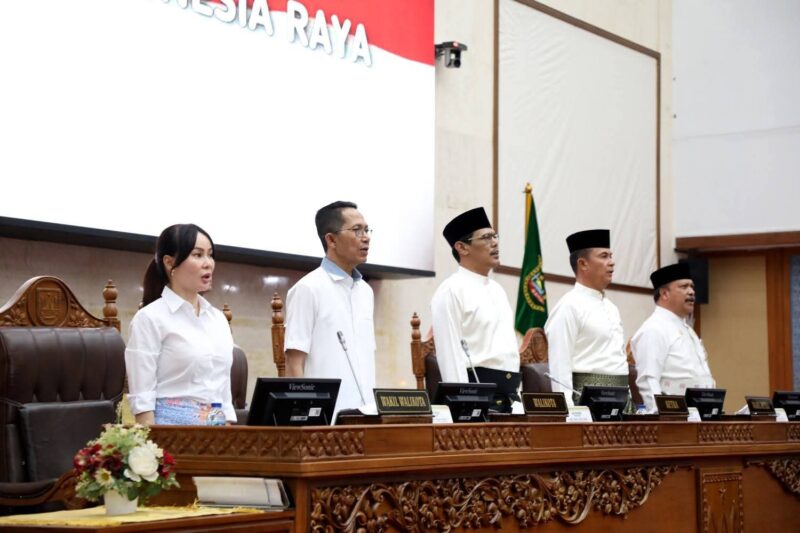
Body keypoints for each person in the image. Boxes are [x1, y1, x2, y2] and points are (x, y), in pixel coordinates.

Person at [125, 224, 235, 425]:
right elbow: (142, 401)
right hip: (172, 437)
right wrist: (154, 451)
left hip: (218, 437)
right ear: (169, 262)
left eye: (210, 255)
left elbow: (223, 392)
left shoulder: (218, 319)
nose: (208, 263)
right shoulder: (149, 318)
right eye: (197, 255)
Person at [284, 201, 376, 414]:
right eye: (356, 230)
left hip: (366, 415)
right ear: (331, 239)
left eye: (366, 229)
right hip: (326, 417)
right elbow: (293, 363)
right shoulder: (308, 288)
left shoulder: (365, 291)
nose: (366, 237)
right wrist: (303, 415)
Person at [430, 207, 520, 412]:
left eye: (495, 236)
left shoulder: (498, 290)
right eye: (486, 238)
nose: (495, 242)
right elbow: (450, 356)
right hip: (475, 398)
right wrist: (465, 406)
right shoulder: (450, 291)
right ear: (462, 247)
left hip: (507, 399)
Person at [544, 229, 628, 406]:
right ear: (583, 264)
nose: (611, 262)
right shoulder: (568, 306)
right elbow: (560, 366)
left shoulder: (612, 308)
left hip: (621, 399)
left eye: (611, 256)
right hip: (586, 402)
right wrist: (568, 413)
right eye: (604, 256)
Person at [631, 263, 715, 412]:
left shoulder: (688, 330)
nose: (691, 292)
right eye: (684, 287)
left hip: (700, 416)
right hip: (674, 418)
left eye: (692, 287)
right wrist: (661, 416)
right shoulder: (654, 329)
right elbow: (648, 379)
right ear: (664, 294)